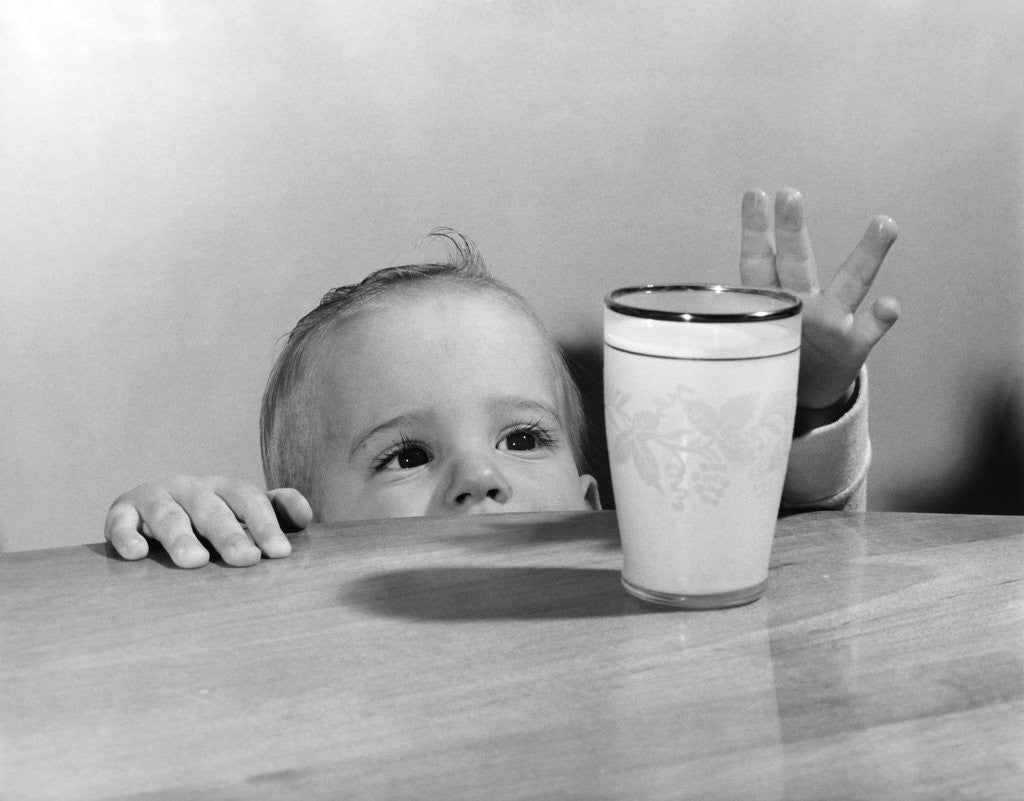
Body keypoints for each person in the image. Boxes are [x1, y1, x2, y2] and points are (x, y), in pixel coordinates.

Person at [104, 188, 900, 568]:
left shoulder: (629, 585)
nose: (480, 477)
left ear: (595, 511)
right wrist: (182, 529)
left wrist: (801, 404)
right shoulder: (287, 598)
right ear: (300, 528)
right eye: (407, 454)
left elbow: (804, 567)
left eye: (523, 438)